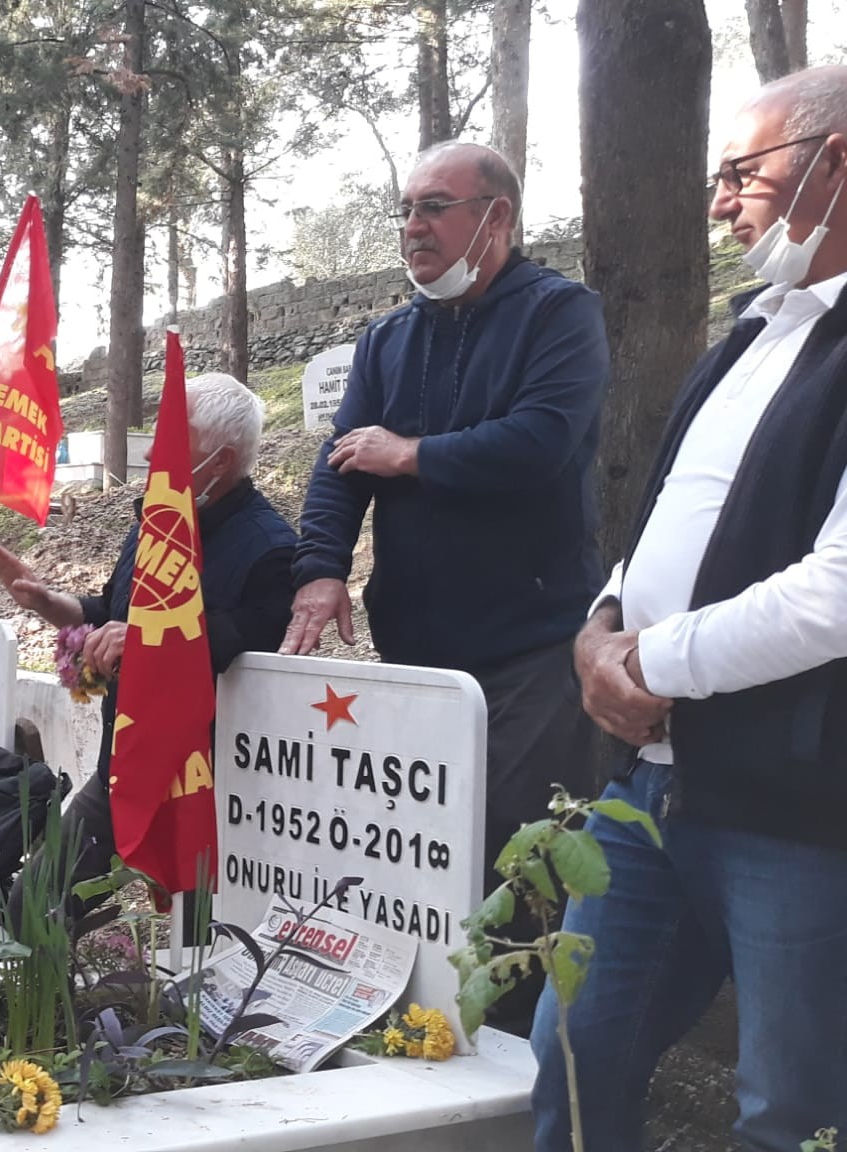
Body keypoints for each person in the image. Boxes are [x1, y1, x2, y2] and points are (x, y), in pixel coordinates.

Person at [535, 66, 847, 1151]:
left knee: (791, 1106)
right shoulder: (751, 336)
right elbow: (660, 522)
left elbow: (838, 590)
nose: (721, 204)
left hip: (796, 806)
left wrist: (652, 664)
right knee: (576, 1051)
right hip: (644, 794)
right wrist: (598, 628)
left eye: (742, 174)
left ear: (836, 159)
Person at [280, 141, 608, 926]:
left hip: (530, 650)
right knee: (422, 847)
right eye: (407, 210)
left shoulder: (560, 314)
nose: (413, 228)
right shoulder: (389, 339)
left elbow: (539, 442)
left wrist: (412, 455)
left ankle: (518, 1034)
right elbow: (341, 463)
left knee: (513, 855)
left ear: (497, 217)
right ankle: (422, 1025)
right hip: (416, 650)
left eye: (434, 207)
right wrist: (321, 568)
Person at [0, 373, 296, 924]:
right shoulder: (156, 522)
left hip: (209, 789)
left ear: (219, 461)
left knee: (199, 948)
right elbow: (111, 612)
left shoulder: (271, 551)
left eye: (173, 434)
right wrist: (47, 602)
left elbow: (239, 644)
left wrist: (151, 641)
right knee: (32, 908)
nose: (152, 448)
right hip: (123, 767)